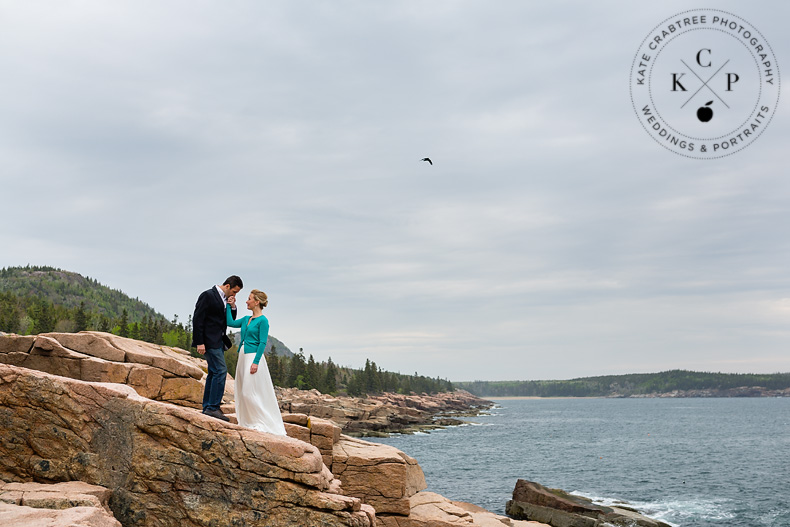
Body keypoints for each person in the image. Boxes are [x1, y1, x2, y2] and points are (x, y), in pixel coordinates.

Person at [226, 289, 286, 435]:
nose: (246, 301)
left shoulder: (263, 321)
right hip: (242, 356)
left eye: (249, 298)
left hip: (253, 357)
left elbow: (262, 343)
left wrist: (256, 362)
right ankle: (248, 422)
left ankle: (260, 422)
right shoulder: (247, 319)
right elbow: (230, 322)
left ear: (257, 302)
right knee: (241, 391)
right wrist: (230, 306)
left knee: (248, 391)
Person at [192, 275, 243, 421]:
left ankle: (208, 406)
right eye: (234, 292)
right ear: (227, 286)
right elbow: (198, 319)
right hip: (208, 341)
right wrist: (199, 342)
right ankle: (213, 407)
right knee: (221, 371)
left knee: (214, 372)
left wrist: (232, 306)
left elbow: (228, 320)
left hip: (219, 341)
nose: (234, 295)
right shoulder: (207, 295)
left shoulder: (225, 299)